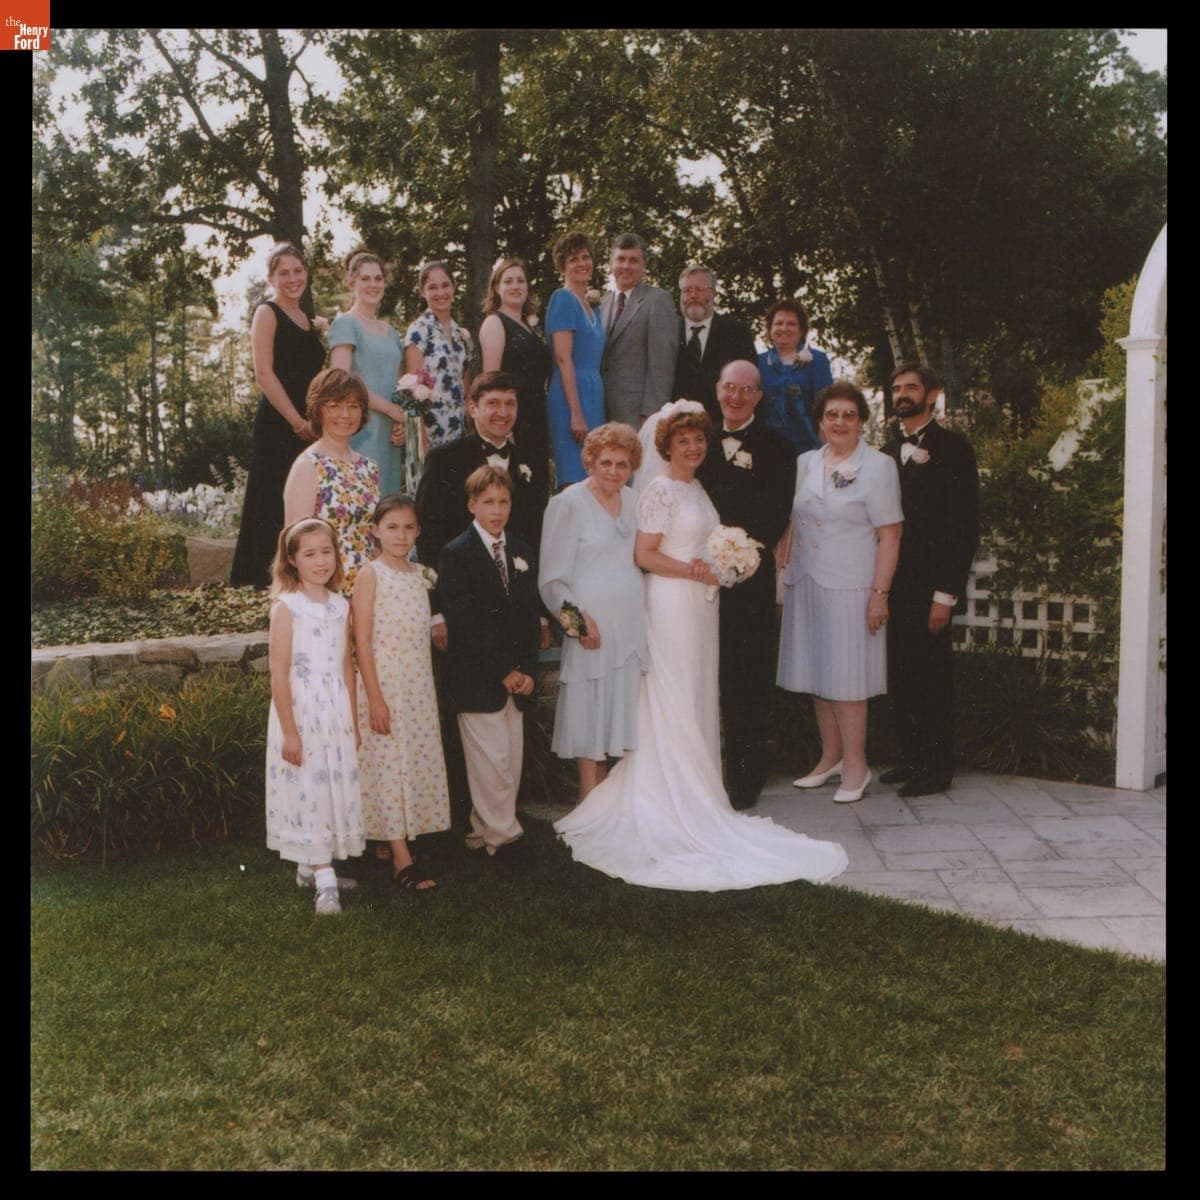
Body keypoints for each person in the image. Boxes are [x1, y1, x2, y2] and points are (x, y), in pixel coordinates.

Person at [554, 401, 848, 891]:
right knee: (673, 693)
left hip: (700, 606)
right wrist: (691, 569)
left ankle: (702, 795)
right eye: (683, 440)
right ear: (665, 445)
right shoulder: (659, 490)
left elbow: (707, 542)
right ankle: (670, 798)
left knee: (695, 693)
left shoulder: (697, 487)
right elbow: (644, 554)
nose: (692, 447)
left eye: (698, 440)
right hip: (670, 603)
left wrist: (729, 562)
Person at [778, 382, 903, 804]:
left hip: (852, 585)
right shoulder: (805, 462)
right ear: (820, 421)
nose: (840, 422)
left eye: (849, 415)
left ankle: (856, 765)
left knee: (849, 681)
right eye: (832, 414)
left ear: (862, 421)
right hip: (808, 581)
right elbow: (795, 518)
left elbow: (890, 535)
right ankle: (830, 758)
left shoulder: (880, 466)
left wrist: (879, 594)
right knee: (818, 675)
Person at [696, 359, 797, 810]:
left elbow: (777, 513)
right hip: (698, 581)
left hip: (749, 574)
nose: (735, 396)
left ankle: (745, 775)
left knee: (746, 678)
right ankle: (699, 771)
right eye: (728, 387)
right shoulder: (697, 442)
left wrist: (738, 553)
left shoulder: (778, 447)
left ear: (758, 396)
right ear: (717, 390)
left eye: (746, 389)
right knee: (700, 675)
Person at [881, 363, 980, 798]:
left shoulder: (954, 449)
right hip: (894, 582)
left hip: (932, 585)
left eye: (911, 388)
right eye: (897, 388)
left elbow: (964, 527)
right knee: (901, 671)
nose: (903, 394)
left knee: (933, 677)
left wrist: (946, 594)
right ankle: (910, 756)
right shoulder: (885, 452)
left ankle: (937, 768)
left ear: (932, 395)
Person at [436, 467, 542, 860]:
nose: (496, 511)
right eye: (487, 503)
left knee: (509, 762)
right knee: (491, 762)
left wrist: (527, 670)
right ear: (471, 505)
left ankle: (482, 829)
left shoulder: (521, 550)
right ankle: (505, 839)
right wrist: (504, 671)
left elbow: (530, 618)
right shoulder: (456, 553)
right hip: (478, 677)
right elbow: (465, 625)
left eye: (503, 502)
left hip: (517, 678)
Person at [538, 424, 646, 803]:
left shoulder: (636, 502)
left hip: (630, 628)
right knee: (590, 714)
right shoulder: (568, 503)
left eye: (623, 464)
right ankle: (589, 802)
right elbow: (551, 580)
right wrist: (577, 622)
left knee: (619, 718)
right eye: (606, 463)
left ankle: (614, 804)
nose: (614, 471)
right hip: (590, 630)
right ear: (589, 462)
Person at [264, 517, 364, 915]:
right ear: (292, 561)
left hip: (334, 711)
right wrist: (290, 731)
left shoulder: (340, 605)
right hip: (302, 711)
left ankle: (312, 864)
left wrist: (352, 723)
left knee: (329, 786)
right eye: (310, 554)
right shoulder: (287, 609)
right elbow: (279, 672)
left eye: (326, 552)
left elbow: (346, 667)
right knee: (308, 785)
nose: (320, 561)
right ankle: (325, 882)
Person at [352, 496, 450, 891]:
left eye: (409, 528)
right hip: (384, 684)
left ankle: (401, 837)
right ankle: (400, 858)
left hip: (417, 686)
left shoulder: (420, 575)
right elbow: (361, 638)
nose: (401, 535)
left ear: (419, 532)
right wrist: (374, 696)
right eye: (392, 527)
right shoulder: (370, 574)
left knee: (415, 760)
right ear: (375, 530)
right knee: (389, 763)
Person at [231, 243, 326, 587]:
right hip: (279, 421)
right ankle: (263, 583)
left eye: (298, 271)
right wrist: (295, 421)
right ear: (271, 278)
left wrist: (311, 422)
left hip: (308, 425)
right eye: (283, 273)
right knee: (271, 500)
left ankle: (301, 576)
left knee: (301, 500)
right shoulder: (267, 313)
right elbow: (264, 373)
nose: (292, 278)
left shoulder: (307, 319)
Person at [415, 370, 547, 570]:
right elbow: (428, 533)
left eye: (510, 403)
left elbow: (536, 531)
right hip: (462, 582)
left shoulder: (531, 461)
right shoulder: (444, 459)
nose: (503, 412)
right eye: (493, 403)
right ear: (472, 409)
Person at [283, 368, 381, 596]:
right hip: (325, 589)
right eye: (334, 406)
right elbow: (296, 543)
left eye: (353, 406)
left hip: (368, 589)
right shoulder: (307, 466)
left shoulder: (369, 467)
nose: (345, 414)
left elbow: (374, 537)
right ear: (318, 411)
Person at [328, 249, 408, 497]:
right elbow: (341, 381)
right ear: (351, 283)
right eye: (365, 278)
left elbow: (400, 384)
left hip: (389, 436)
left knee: (388, 508)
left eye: (378, 278)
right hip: (360, 430)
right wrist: (389, 409)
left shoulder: (392, 332)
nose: (373, 284)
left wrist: (400, 420)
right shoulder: (345, 324)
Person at [478, 256, 552, 524]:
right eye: (508, 281)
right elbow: (491, 380)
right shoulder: (495, 323)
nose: (515, 286)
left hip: (536, 418)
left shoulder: (529, 327)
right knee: (516, 495)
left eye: (521, 280)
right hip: (511, 420)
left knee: (536, 494)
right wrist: (501, 424)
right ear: (496, 287)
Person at [545, 231, 606, 489]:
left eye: (585, 257)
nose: (582, 263)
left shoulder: (592, 305)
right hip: (572, 395)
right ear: (562, 267)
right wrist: (576, 412)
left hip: (594, 392)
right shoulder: (563, 299)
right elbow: (563, 358)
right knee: (575, 477)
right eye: (573, 259)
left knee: (596, 473)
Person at [599, 233, 678, 428]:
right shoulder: (601, 303)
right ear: (611, 263)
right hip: (600, 411)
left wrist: (651, 417)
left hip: (637, 416)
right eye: (621, 259)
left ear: (643, 266)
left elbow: (662, 367)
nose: (626, 266)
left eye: (633, 260)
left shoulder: (657, 300)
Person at [405, 260, 473, 466]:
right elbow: (412, 387)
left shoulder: (462, 336)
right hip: (431, 431)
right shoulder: (419, 330)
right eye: (432, 287)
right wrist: (421, 437)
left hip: (458, 430)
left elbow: (466, 386)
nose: (440, 292)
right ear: (422, 292)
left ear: (453, 287)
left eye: (445, 285)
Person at [673, 264, 758, 426]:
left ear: (713, 293)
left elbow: (750, 384)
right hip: (675, 428)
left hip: (721, 427)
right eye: (687, 290)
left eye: (700, 289)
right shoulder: (667, 331)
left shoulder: (737, 333)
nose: (693, 295)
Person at [758, 299, 833, 456]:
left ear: (801, 330)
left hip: (809, 446)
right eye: (778, 323)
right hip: (768, 448)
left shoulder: (817, 360)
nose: (784, 328)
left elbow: (826, 408)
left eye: (791, 324)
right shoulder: (758, 362)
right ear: (770, 329)